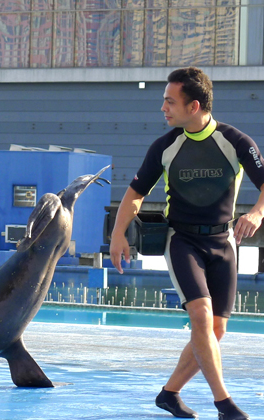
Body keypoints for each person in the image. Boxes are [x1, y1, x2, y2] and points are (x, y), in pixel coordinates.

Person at [110, 67, 264, 420]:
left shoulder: (236, 141)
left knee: (217, 329)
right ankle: (224, 404)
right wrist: (117, 235)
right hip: (182, 241)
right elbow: (135, 193)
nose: (163, 108)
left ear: (193, 106)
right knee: (200, 315)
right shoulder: (165, 145)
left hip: (224, 242)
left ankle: (169, 394)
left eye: (169, 101)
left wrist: (256, 213)